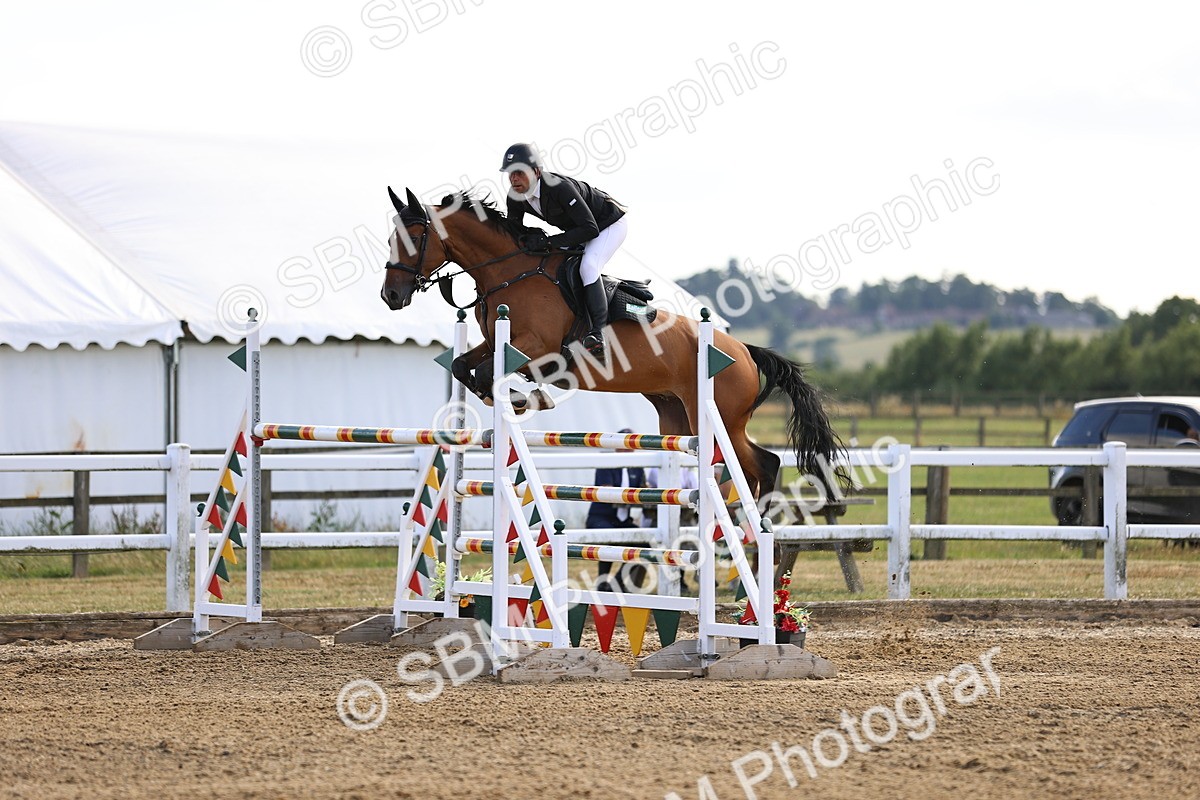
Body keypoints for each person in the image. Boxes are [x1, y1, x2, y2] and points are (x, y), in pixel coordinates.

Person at [500, 142, 628, 360]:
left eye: (519, 173)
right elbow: (514, 232)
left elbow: (590, 229)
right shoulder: (515, 196)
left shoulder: (558, 187)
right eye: (510, 174)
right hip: (578, 229)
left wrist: (549, 242)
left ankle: (598, 334)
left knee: (588, 266)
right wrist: (532, 236)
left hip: (608, 224)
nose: (514, 179)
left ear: (537, 172)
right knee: (550, 263)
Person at [585, 428, 645, 593]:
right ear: (616, 446)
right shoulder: (607, 462)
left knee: (645, 543)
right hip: (601, 516)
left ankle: (617, 582)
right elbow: (607, 490)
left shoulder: (637, 467)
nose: (628, 448)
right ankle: (601, 582)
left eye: (631, 444)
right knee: (609, 537)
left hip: (623, 519)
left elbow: (643, 489)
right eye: (625, 444)